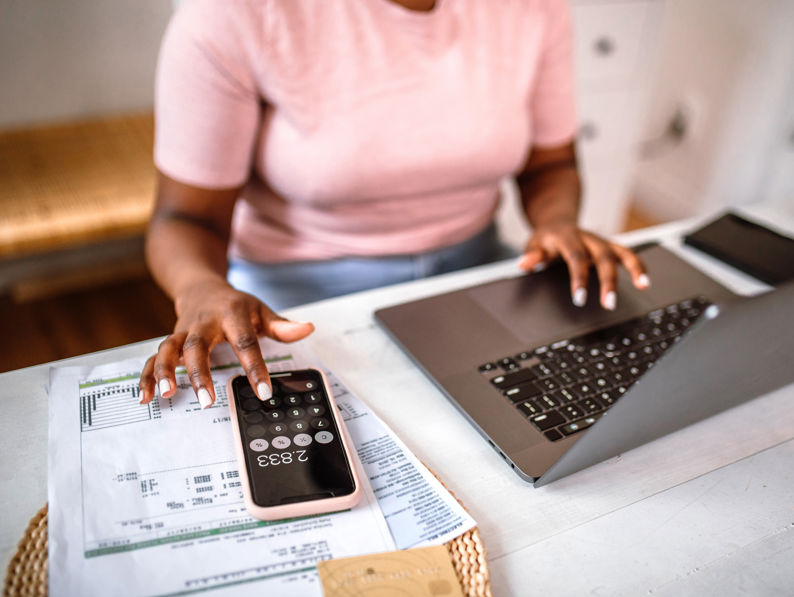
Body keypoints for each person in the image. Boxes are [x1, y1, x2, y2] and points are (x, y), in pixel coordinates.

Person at [138, 0, 650, 409]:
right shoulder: (232, 15)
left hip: (471, 271)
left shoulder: (533, 8)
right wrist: (200, 287)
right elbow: (186, 217)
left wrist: (557, 222)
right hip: (294, 298)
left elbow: (550, 164)